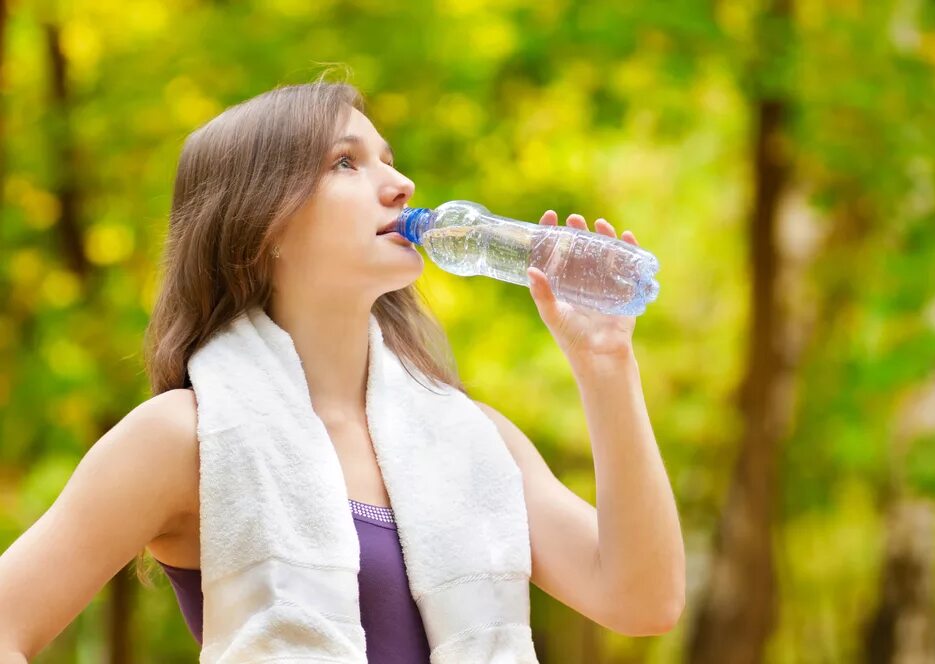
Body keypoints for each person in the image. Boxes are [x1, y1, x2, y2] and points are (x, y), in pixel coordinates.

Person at [0, 78, 685, 662]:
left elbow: (641, 598)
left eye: (388, 159)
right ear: (262, 223)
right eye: (346, 163)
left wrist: (607, 367)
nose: (402, 184)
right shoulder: (185, 436)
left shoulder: (474, 441)